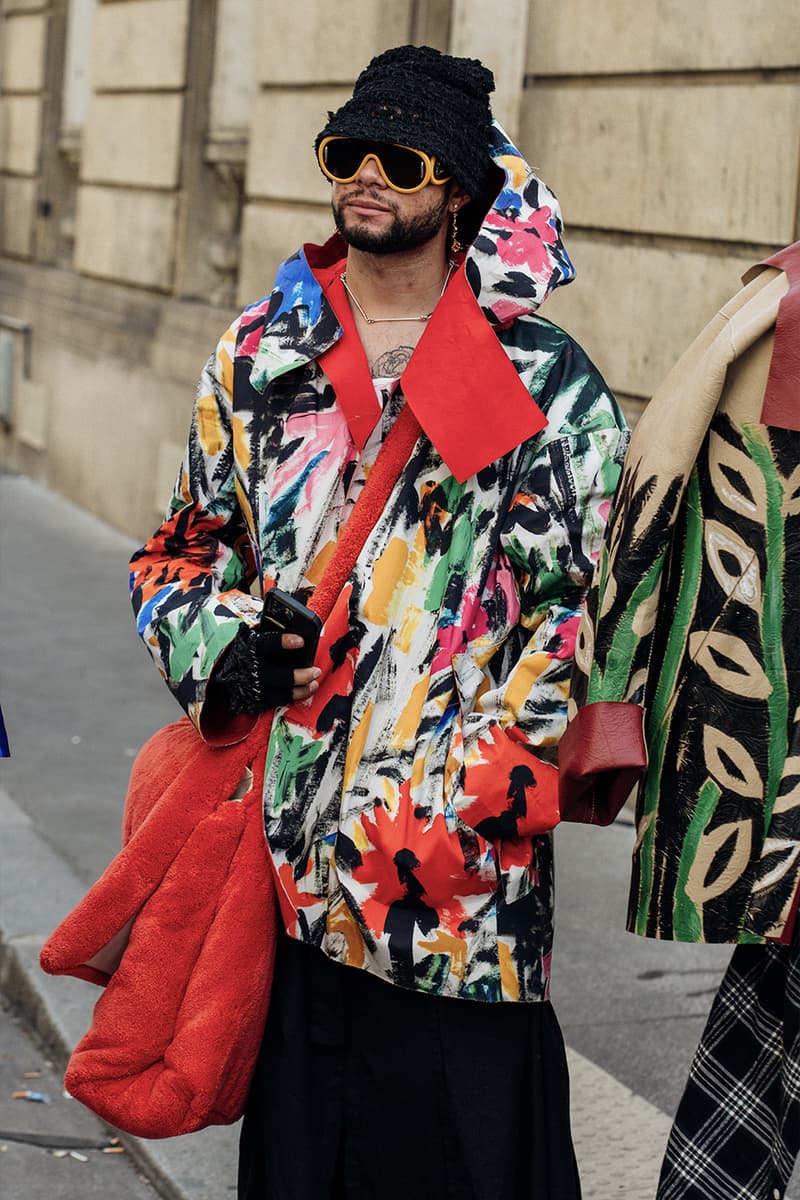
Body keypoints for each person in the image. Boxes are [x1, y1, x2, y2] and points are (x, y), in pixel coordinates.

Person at [129, 44, 628, 1200]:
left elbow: (579, 611)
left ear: (456, 188)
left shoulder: (542, 381)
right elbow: (180, 551)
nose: (363, 177)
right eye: (343, 152)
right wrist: (219, 646)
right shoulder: (261, 355)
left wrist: (479, 792)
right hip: (293, 873)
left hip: (457, 897)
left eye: (396, 159)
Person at [560, 243, 800, 1199]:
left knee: (761, 1024)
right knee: (763, 1019)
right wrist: (611, 709)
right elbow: (651, 496)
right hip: (771, 755)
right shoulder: (776, 317)